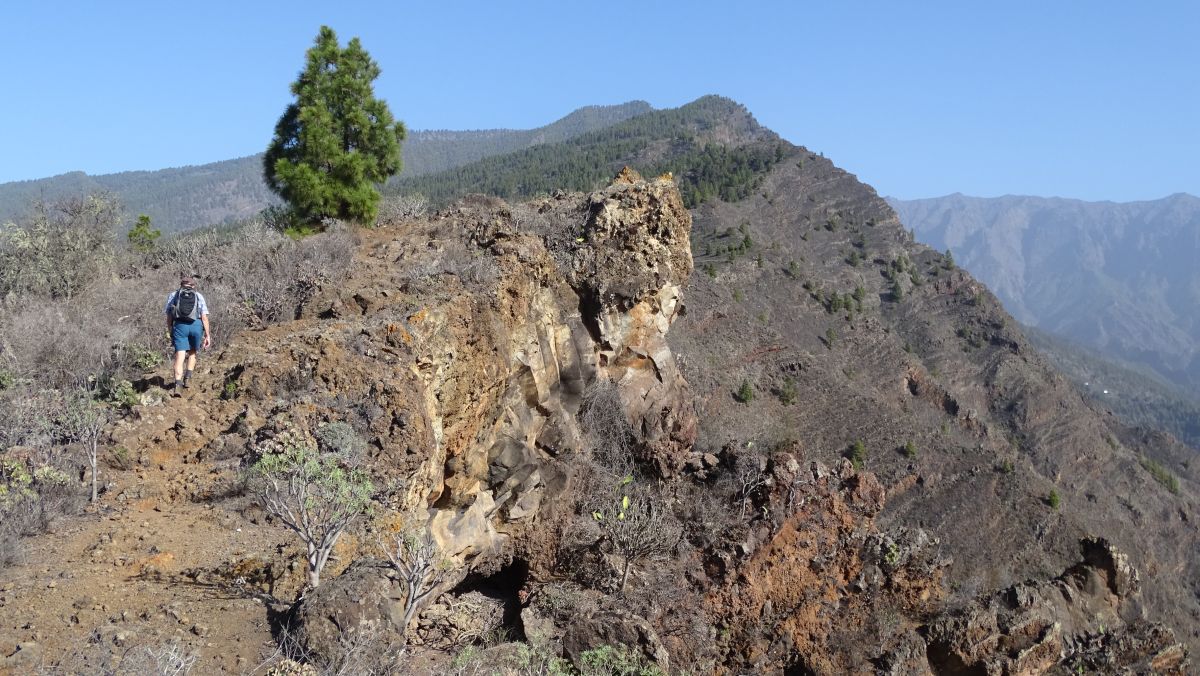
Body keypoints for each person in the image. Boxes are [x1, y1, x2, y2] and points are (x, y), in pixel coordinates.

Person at [164, 275, 211, 394]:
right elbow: (204, 317)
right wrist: (207, 335)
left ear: (181, 285)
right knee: (193, 352)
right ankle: (187, 378)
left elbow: (169, 315)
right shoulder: (199, 296)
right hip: (196, 325)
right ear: (193, 286)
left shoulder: (173, 295)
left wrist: (170, 330)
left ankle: (178, 385)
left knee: (179, 355)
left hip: (180, 326)